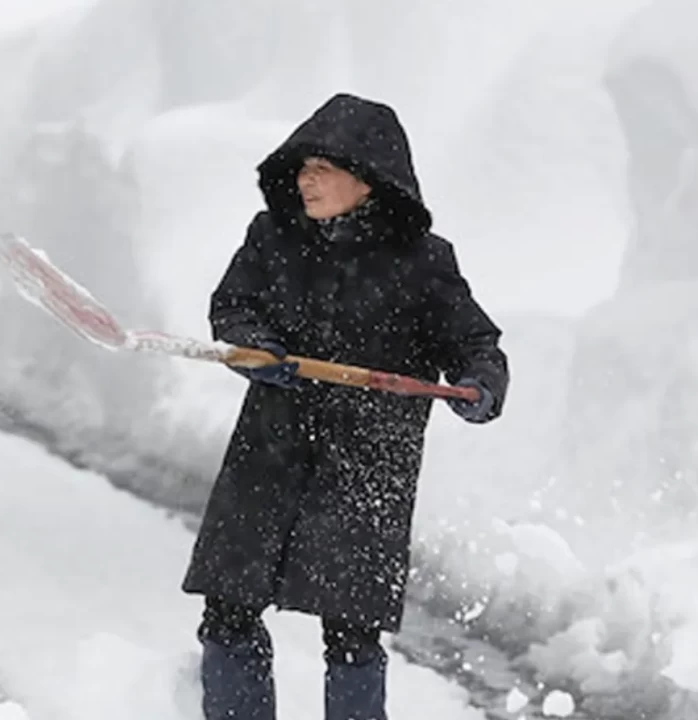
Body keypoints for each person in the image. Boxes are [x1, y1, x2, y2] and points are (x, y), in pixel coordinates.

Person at [181, 92, 509, 720]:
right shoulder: (272, 238)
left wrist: (480, 384)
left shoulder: (424, 261)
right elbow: (234, 306)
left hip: (367, 467)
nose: (305, 180)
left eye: (322, 169)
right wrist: (257, 347)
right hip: (270, 451)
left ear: (368, 178)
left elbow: (474, 342)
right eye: (302, 168)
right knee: (227, 609)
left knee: (353, 636)